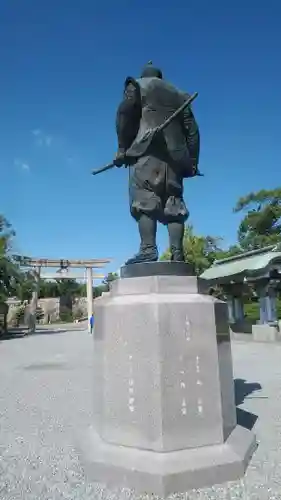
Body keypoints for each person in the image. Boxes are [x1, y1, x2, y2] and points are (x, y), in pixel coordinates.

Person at [115, 61, 200, 265]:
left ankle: (148, 250)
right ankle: (178, 253)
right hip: (175, 158)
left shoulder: (137, 85)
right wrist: (193, 160)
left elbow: (125, 114)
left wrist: (122, 148)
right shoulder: (180, 95)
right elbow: (192, 130)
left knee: (144, 199)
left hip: (146, 151)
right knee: (174, 203)